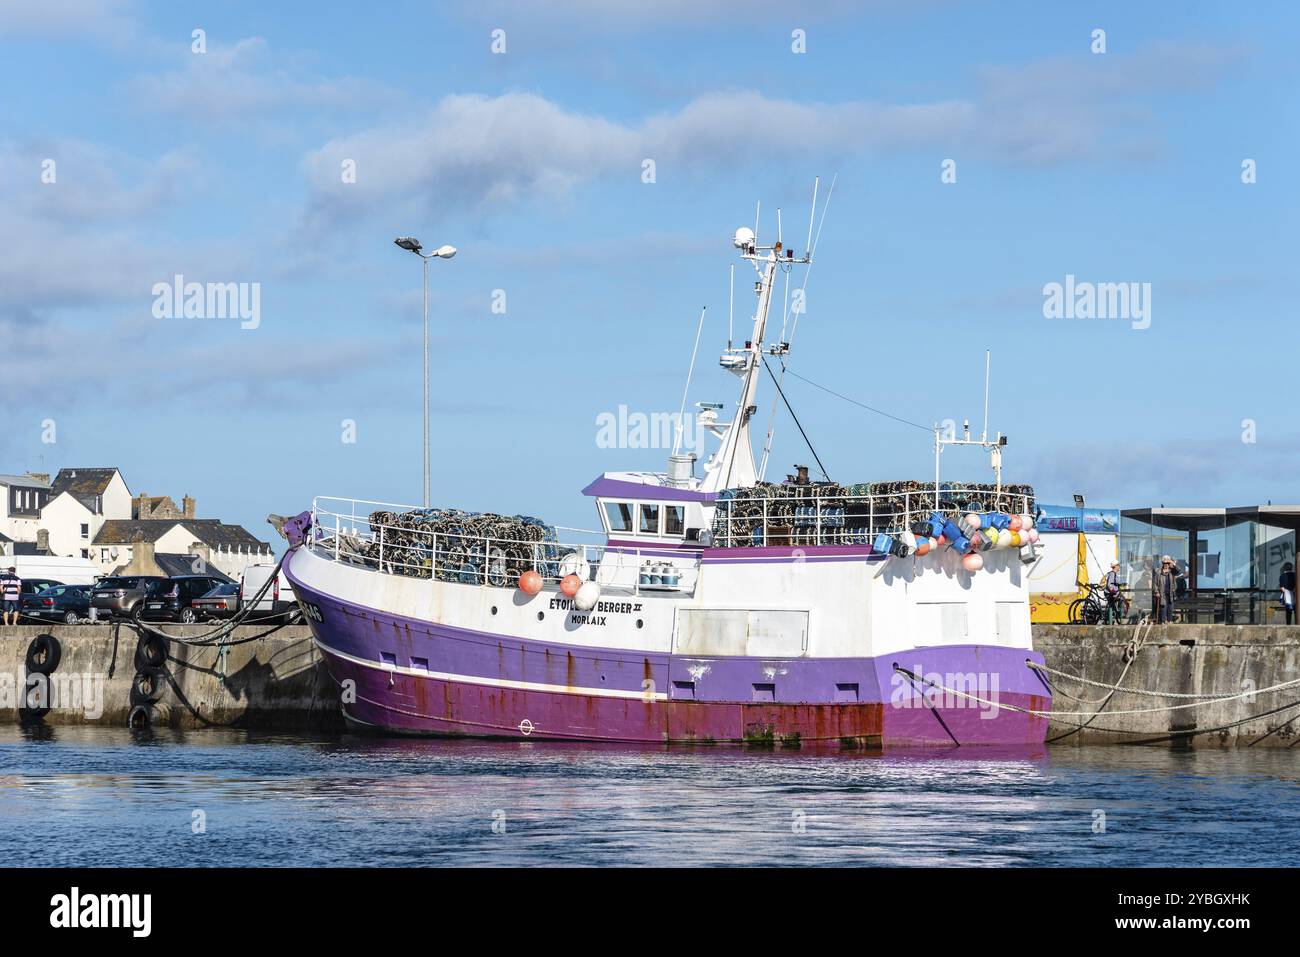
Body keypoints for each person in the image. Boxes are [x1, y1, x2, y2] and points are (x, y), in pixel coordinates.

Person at [1152, 556, 1176, 624]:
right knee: (1163, 608)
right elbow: (1155, 583)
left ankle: (1169, 621)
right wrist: (1156, 592)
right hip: (1162, 593)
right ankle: (1163, 621)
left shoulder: (1172, 572)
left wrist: (1172, 562)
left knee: (1170, 608)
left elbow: (1178, 570)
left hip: (1170, 593)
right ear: (1162, 564)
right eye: (1164, 563)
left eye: (1167, 563)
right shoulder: (1158, 572)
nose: (1166, 565)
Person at [1281, 562, 1296, 626]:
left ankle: (1288, 625)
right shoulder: (1295, 575)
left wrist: (1286, 591)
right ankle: (1297, 624)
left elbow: (1282, 588)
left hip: (1287, 596)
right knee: (1296, 610)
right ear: (1291, 568)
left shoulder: (1282, 576)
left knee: (1288, 612)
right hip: (1295, 595)